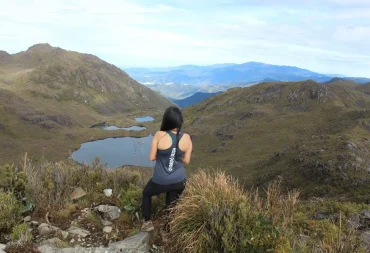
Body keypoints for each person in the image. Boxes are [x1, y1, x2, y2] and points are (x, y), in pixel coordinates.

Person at [141, 106, 193, 232]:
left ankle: (148, 222)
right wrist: (175, 155)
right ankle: (168, 229)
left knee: (146, 193)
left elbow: (152, 157)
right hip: (179, 180)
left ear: (166, 120)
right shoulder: (187, 138)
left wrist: (164, 155)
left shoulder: (159, 135)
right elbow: (186, 160)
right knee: (171, 204)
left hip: (161, 180)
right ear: (180, 121)